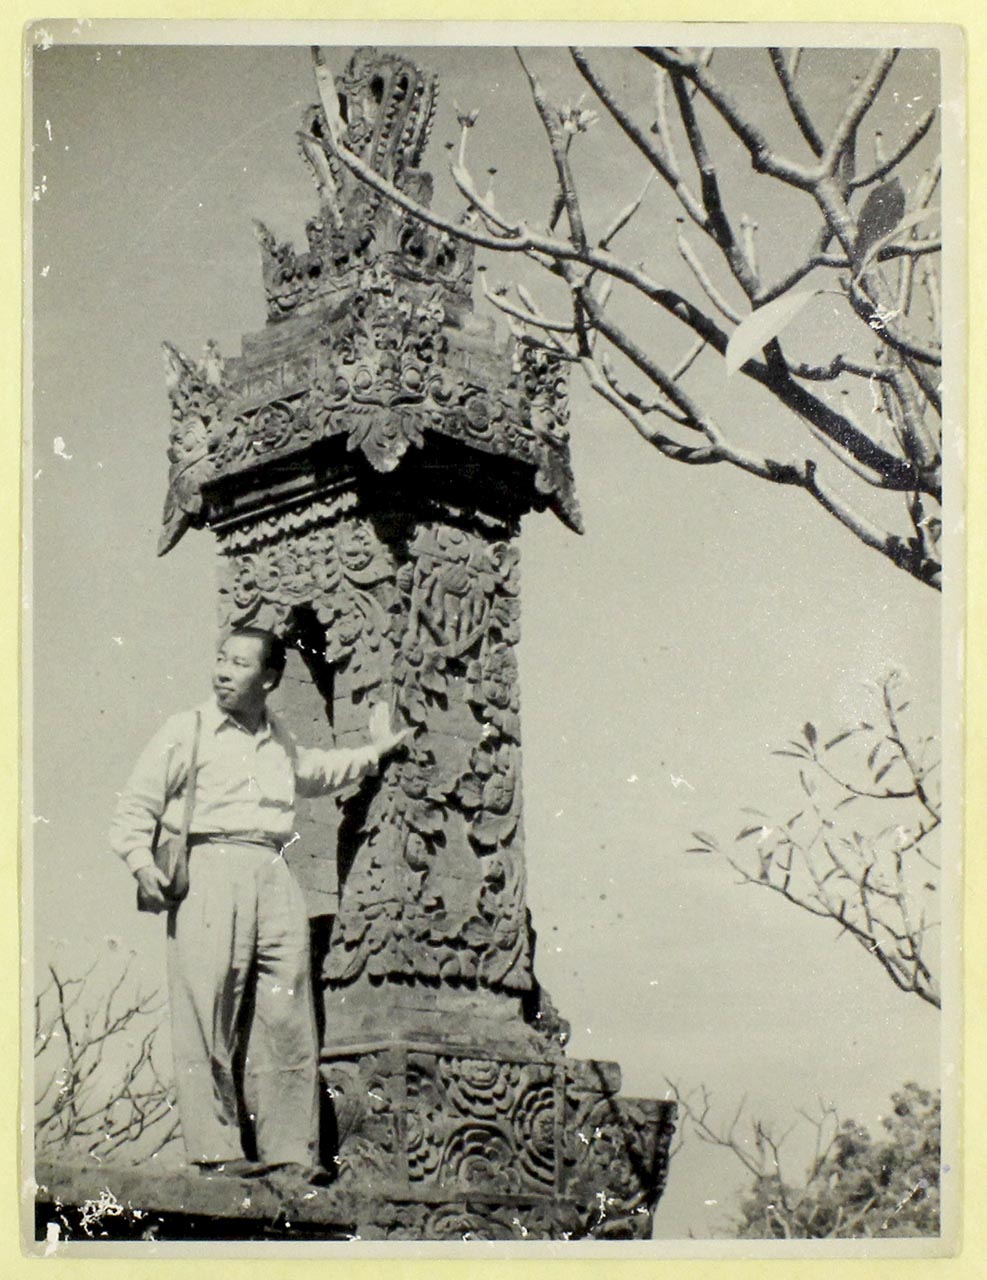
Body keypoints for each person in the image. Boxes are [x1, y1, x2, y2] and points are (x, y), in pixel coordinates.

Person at [110, 626, 408, 1184]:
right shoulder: (189, 729)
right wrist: (140, 863)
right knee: (208, 1007)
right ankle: (215, 1150)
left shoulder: (278, 737)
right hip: (209, 867)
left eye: (239, 663)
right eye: (220, 659)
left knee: (288, 1007)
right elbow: (135, 806)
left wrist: (376, 752)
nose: (223, 671)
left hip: (272, 868)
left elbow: (317, 772)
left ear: (269, 679)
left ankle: (290, 1151)